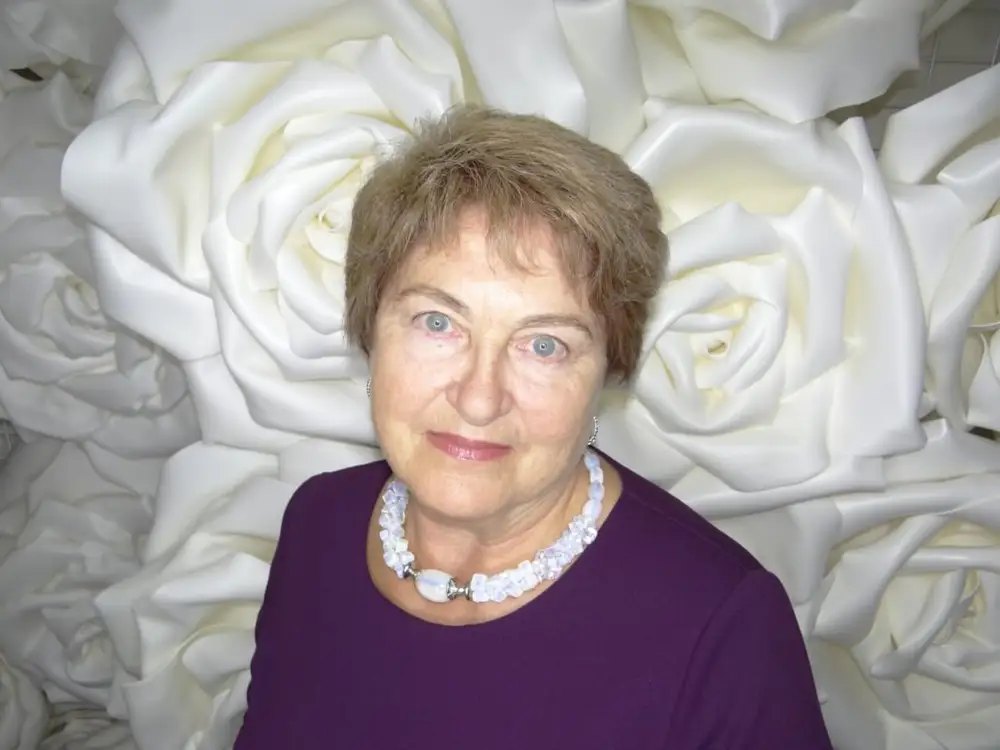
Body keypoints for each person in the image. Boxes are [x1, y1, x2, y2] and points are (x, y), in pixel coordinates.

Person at [233, 105, 834, 749]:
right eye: (438, 322)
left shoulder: (722, 625)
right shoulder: (318, 523)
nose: (479, 398)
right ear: (369, 328)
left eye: (544, 345)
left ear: (609, 368)